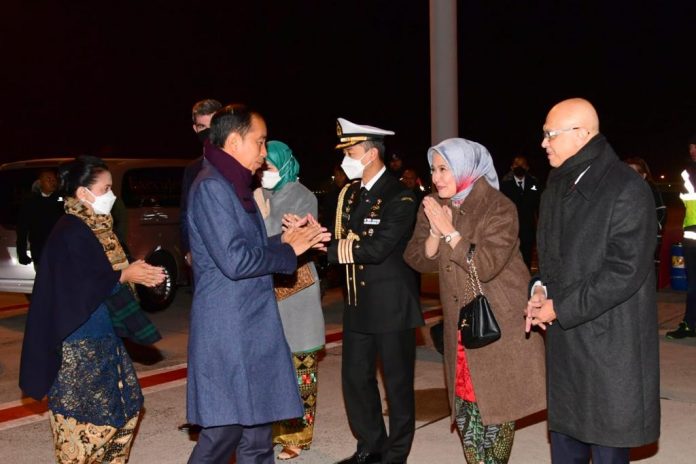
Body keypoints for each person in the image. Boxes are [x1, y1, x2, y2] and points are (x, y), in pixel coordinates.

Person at [185, 103, 330, 464]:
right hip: (229, 328)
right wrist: (288, 251)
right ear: (235, 141)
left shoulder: (234, 185)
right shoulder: (212, 188)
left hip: (251, 326)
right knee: (223, 432)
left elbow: (249, 248)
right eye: (260, 142)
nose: (265, 154)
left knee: (257, 436)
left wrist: (289, 241)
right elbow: (235, 261)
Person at [526, 98, 660, 463]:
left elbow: (624, 271)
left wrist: (560, 307)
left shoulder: (626, 188)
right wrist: (540, 291)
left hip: (608, 348)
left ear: (582, 134)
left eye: (549, 134)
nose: (543, 143)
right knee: (566, 448)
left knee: (606, 446)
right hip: (567, 345)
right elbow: (553, 259)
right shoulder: (558, 185)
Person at [403, 138, 546, 464]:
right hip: (462, 329)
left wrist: (450, 232)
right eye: (433, 169)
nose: (436, 177)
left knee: (496, 415)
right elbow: (417, 258)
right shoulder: (435, 206)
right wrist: (435, 234)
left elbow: (485, 265)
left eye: (444, 169)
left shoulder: (499, 207)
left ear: (466, 168)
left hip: (499, 326)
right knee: (469, 421)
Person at [19, 155, 165, 463]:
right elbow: (80, 283)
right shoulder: (71, 229)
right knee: (84, 425)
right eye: (106, 187)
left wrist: (134, 271)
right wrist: (125, 275)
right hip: (79, 342)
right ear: (83, 193)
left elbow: (103, 270)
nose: (112, 195)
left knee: (126, 408)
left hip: (103, 334)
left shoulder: (96, 226)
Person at [328, 118, 423, 464]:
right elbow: (342, 235)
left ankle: (396, 454)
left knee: (397, 387)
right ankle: (371, 444)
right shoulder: (351, 194)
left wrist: (326, 247)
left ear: (369, 153)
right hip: (358, 303)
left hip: (392, 305)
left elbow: (376, 248)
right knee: (355, 379)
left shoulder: (400, 195)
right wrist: (316, 235)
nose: (345, 158)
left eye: (350, 151)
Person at [256, 140, 325, 460]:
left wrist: (267, 220)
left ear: (284, 165)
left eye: (268, 167)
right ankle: (271, 430)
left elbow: (292, 240)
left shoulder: (302, 196)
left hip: (296, 291)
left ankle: (297, 436)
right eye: (261, 167)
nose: (263, 173)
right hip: (266, 292)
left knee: (301, 367)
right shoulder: (259, 194)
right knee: (271, 367)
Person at [177, 98, 222, 435]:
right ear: (195, 128)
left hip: (235, 263)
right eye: (201, 127)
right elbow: (185, 214)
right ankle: (206, 414)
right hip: (205, 267)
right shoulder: (193, 169)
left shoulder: (241, 161)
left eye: (213, 125)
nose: (207, 133)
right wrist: (188, 251)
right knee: (206, 346)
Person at [666, 133, 696, 339]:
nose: (692, 151)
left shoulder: (690, 172)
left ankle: (690, 324)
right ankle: (690, 323)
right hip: (691, 235)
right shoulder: (689, 172)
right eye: (691, 147)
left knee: (693, 284)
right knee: (693, 284)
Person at [624, 156, 667, 286]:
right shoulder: (623, 190)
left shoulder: (650, 190)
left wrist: (652, 229)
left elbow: (662, 211)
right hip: (628, 237)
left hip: (647, 237)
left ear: (643, 175)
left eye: (633, 172)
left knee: (646, 268)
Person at [16, 168, 64, 271]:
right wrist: (22, 253)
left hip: (62, 251)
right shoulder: (30, 203)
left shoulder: (63, 200)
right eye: (48, 179)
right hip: (40, 251)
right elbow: (22, 229)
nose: (52, 182)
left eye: (54, 179)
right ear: (40, 182)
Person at [499, 155, 542, 269]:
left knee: (526, 259)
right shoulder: (504, 184)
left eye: (522, 165)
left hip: (528, 229)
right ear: (512, 167)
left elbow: (538, 206)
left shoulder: (534, 183)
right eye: (517, 164)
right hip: (510, 229)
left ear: (527, 167)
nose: (519, 167)